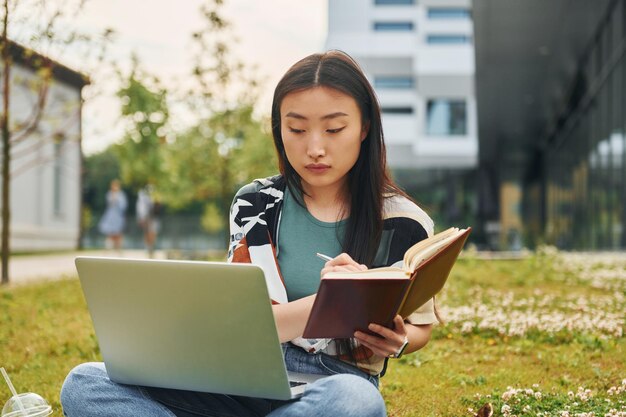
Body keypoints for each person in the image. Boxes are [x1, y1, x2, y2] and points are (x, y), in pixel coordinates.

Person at [60, 50, 438, 416]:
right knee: (85, 383)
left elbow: (420, 328)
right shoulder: (255, 204)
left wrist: (399, 341)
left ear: (365, 127)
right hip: (237, 383)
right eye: (297, 129)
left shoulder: (404, 223)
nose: (315, 147)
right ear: (279, 129)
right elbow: (245, 326)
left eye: (334, 128)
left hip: (333, 384)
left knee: (358, 402)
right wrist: (333, 302)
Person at [97, 179, 127, 252]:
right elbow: (110, 203)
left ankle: (118, 248)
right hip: (111, 216)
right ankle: (108, 247)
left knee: (118, 233)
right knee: (110, 232)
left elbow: (123, 206)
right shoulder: (109, 194)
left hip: (118, 216)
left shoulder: (121, 195)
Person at [136, 184, 161, 257]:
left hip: (154, 216)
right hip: (146, 216)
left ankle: (151, 247)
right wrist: (142, 217)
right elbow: (141, 206)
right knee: (147, 232)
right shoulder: (142, 193)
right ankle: (148, 248)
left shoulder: (156, 191)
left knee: (153, 232)